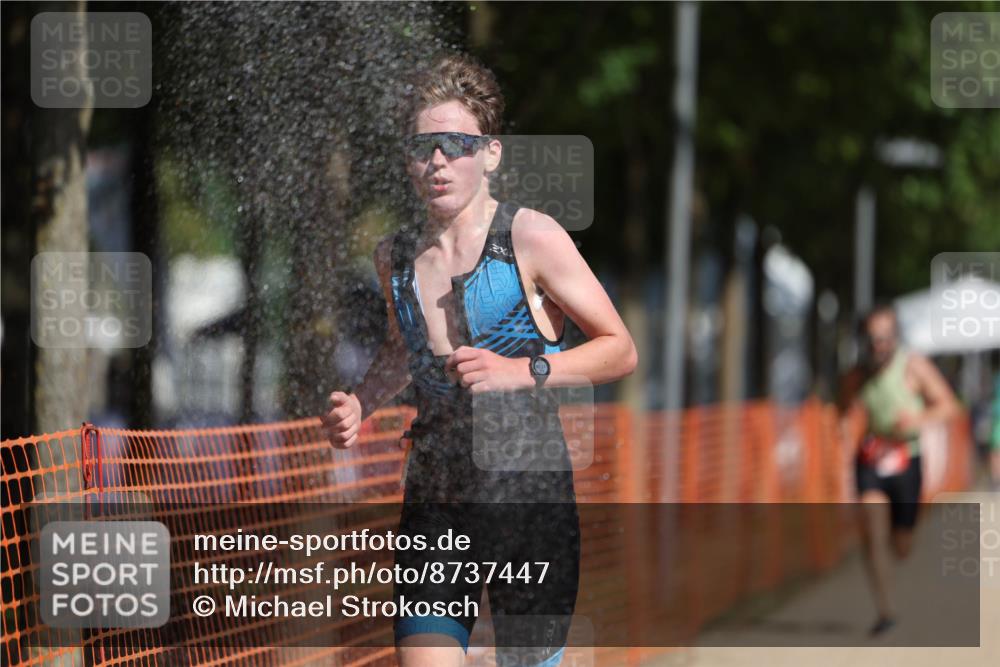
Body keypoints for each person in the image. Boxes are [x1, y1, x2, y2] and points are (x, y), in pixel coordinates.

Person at [322, 53, 637, 667]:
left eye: (456, 145)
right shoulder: (395, 257)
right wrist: (361, 402)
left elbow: (620, 349)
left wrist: (522, 371)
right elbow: (403, 350)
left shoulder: (532, 237)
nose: (438, 160)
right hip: (436, 496)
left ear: (490, 154)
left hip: (530, 497)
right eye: (423, 147)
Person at [839, 304, 960, 637]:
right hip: (872, 460)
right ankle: (886, 611)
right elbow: (844, 407)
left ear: (896, 337)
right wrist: (846, 427)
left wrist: (916, 420)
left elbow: (949, 406)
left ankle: (900, 540)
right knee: (872, 529)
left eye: (885, 338)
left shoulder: (914, 366)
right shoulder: (857, 375)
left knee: (902, 546)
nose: (879, 345)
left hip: (908, 460)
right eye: (872, 338)